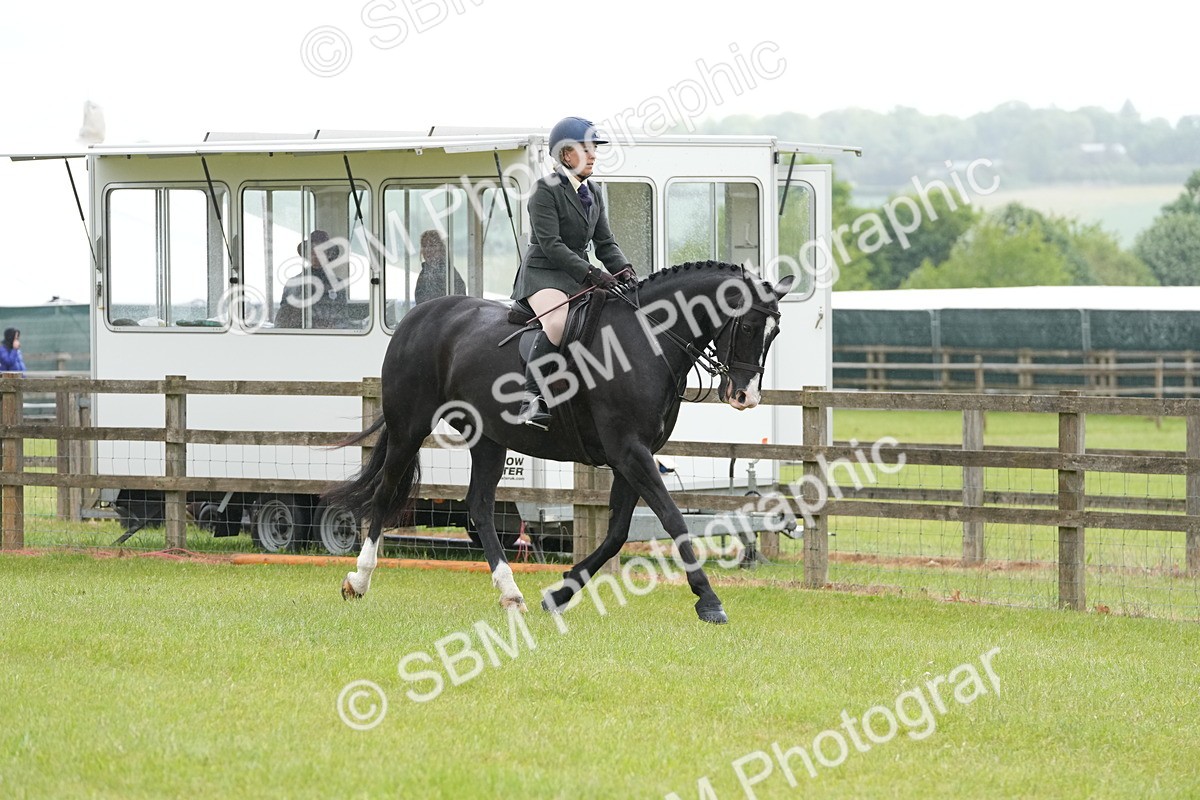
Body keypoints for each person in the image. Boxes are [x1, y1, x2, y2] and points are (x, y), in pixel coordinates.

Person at [510, 116, 634, 429]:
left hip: (576, 274)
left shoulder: (593, 192)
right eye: (586, 148)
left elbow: (605, 242)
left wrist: (624, 270)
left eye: (594, 149)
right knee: (557, 322)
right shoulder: (545, 190)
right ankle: (529, 397)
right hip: (543, 274)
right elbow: (551, 245)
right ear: (566, 155)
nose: (593, 154)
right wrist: (592, 273)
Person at [275, 230, 351, 329]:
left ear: (328, 254)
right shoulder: (294, 283)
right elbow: (282, 320)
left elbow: (343, 320)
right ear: (307, 254)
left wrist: (332, 326)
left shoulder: (338, 285)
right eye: (312, 251)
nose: (316, 255)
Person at [413, 229, 467, 305]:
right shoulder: (426, 271)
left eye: (432, 245)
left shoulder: (446, 272)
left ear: (441, 249)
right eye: (424, 246)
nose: (428, 250)